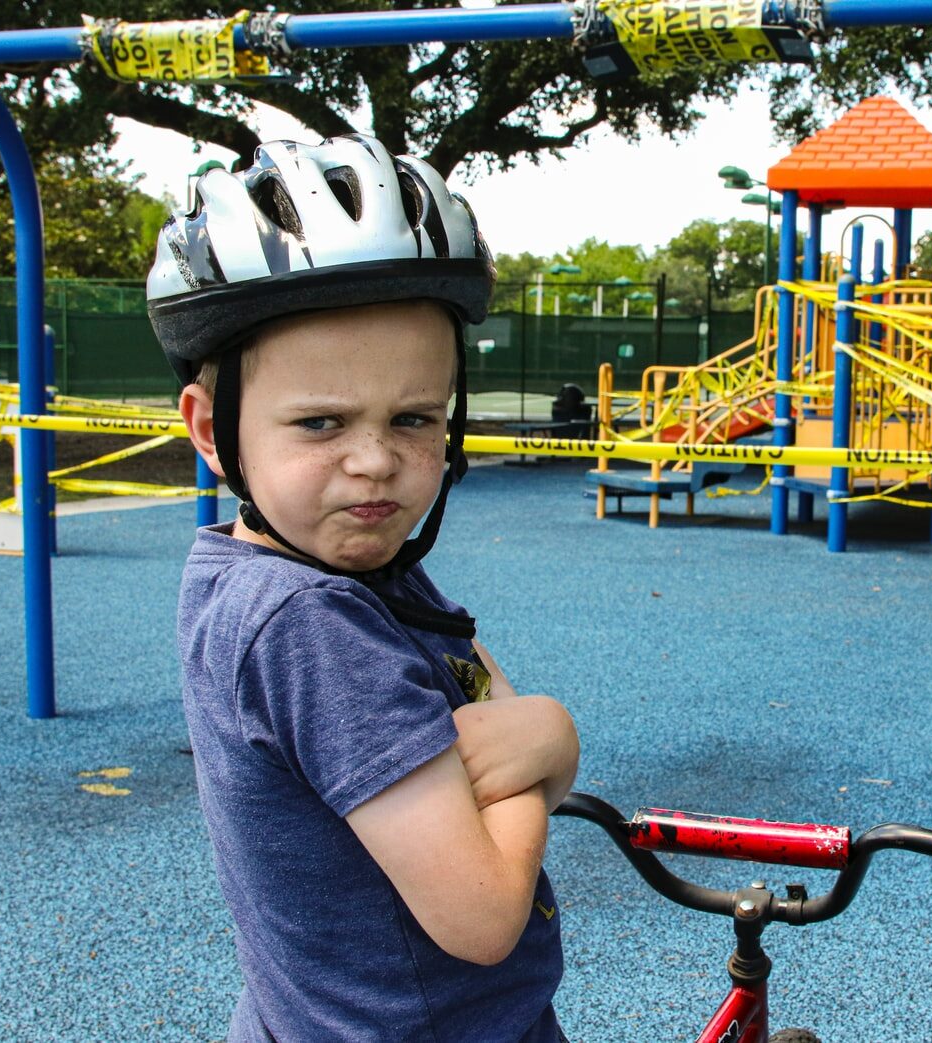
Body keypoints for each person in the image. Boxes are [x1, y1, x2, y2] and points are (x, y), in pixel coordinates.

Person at [146, 135, 579, 1042]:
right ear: (212, 430)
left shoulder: (338, 560)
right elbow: (483, 913)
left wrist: (519, 752)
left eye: (414, 418)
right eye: (320, 423)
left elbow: (479, 699)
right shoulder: (310, 618)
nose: (376, 461)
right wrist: (551, 737)